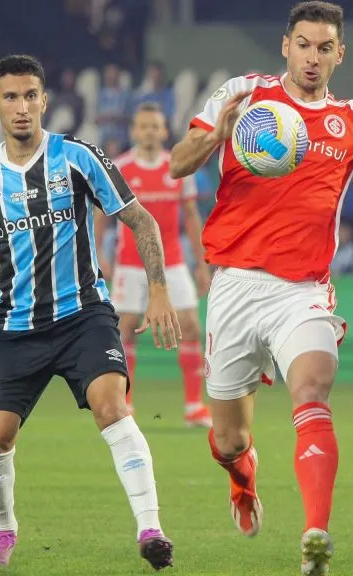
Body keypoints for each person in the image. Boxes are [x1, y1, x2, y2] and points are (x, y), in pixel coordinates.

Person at [167, 2, 353, 573]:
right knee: (230, 440)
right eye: (303, 44)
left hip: (303, 292)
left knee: (311, 391)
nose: (312, 57)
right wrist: (219, 136)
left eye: (324, 47)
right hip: (233, 285)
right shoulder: (244, 95)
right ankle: (243, 479)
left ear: (340, 54)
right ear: (286, 45)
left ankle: (314, 537)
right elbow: (178, 163)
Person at [0, 54, 180, 571]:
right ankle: (3, 529)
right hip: (14, 326)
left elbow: (141, 221)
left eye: (31, 96)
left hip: (82, 315)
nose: (22, 107)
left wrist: (158, 288)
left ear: (45, 101)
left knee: (112, 405)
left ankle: (151, 528)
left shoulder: (77, 157)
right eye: (11, 97)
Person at [101, 101, 214, 426]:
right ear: (134, 131)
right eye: (143, 126)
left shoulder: (177, 166)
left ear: (164, 131)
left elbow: (191, 216)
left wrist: (202, 262)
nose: (149, 131)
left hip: (173, 262)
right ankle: (125, 404)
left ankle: (194, 406)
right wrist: (101, 256)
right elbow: (100, 215)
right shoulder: (119, 168)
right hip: (130, 263)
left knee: (191, 326)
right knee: (126, 329)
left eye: (155, 126)